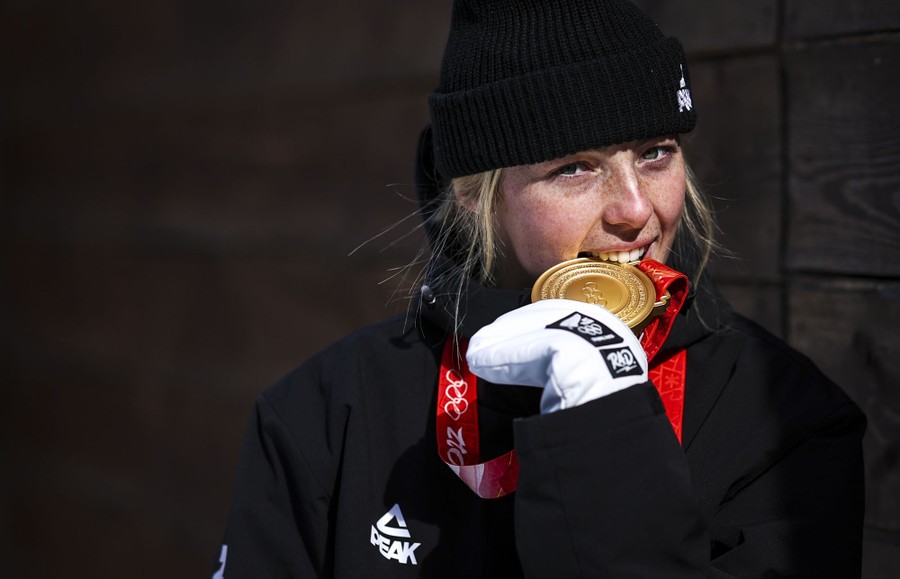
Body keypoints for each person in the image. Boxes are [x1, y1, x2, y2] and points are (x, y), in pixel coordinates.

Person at [213, 0, 866, 577]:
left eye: (655, 151)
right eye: (575, 166)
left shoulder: (782, 417)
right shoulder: (326, 413)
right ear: (472, 194)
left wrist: (604, 429)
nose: (636, 208)